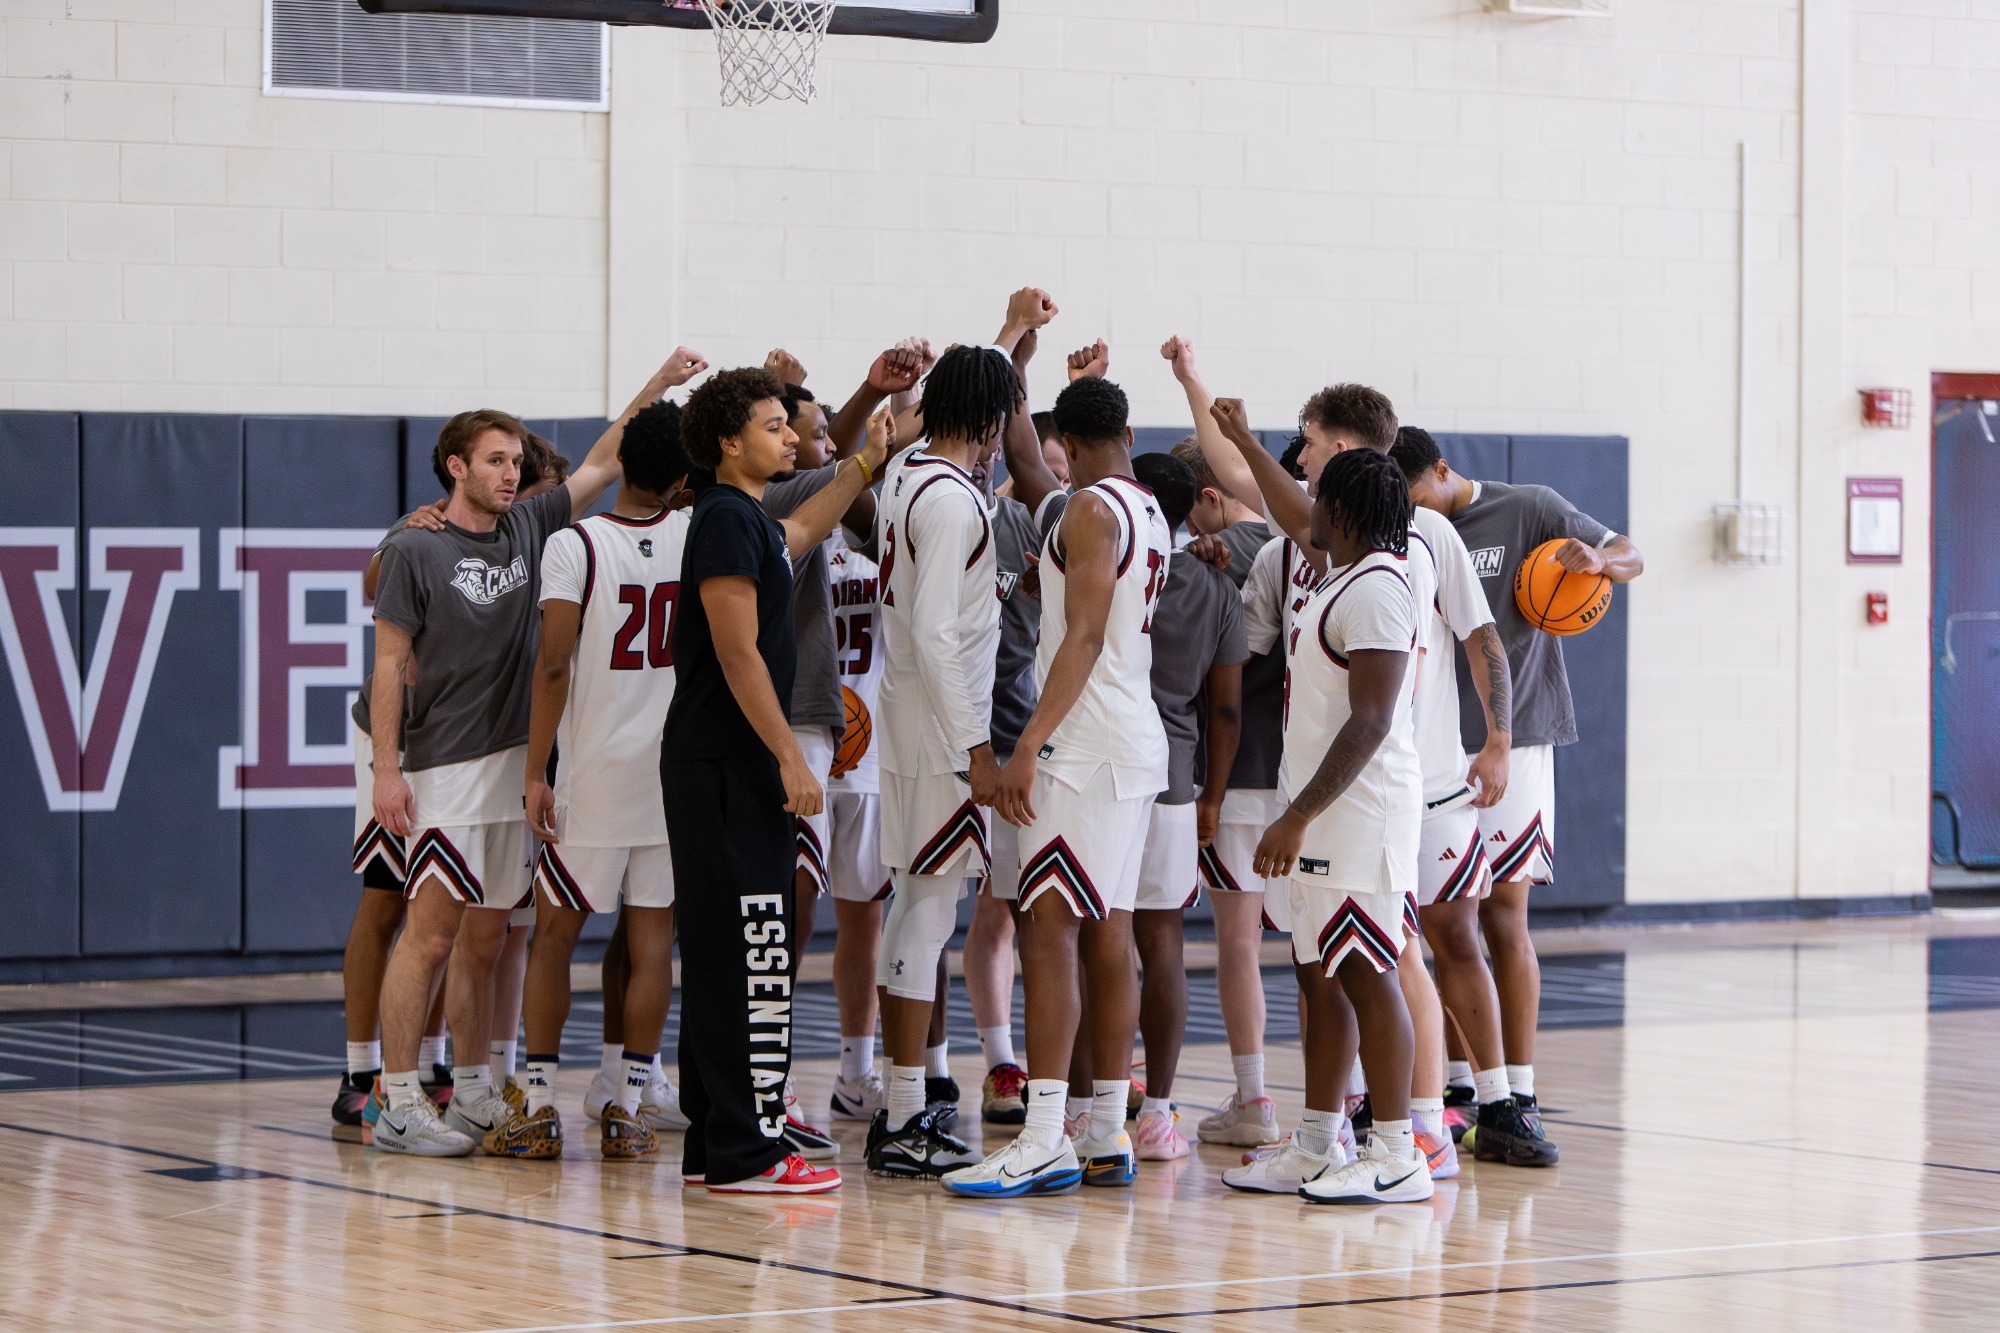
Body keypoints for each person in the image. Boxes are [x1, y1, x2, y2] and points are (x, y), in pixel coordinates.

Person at [364, 349, 709, 1157]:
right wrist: (386, 768)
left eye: (517, 459)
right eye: (495, 460)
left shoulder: (531, 524)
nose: (511, 472)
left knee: (488, 938)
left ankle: (479, 1085)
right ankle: (400, 1096)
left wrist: (657, 388)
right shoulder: (416, 547)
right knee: (431, 934)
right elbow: (386, 664)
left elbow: (600, 459)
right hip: (443, 764)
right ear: (456, 466)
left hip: (516, 760)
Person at [945, 369, 1171, 1199]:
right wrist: (1021, 371)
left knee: (1047, 931)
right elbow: (1038, 483)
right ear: (1129, 439)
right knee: (1109, 935)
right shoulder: (1144, 506)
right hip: (1134, 743)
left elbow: (1079, 635)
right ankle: (1105, 1129)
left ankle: (1044, 1135)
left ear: (1068, 445)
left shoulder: (1088, 510)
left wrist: (1026, 747)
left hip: (1081, 747)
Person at [661, 366, 885, 1194]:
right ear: (729, 441)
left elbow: (799, 534)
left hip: (724, 761)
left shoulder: (744, 517)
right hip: (730, 762)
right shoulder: (722, 520)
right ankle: (750, 1154)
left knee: (728, 955)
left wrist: (864, 465)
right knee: (750, 953)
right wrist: (789, 755)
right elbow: (735, 648)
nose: (791, 436)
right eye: (772, 425)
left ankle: (716, 1145)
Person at [1400, 430, 1644, 1153]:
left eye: (1421, 495)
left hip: (1519, 739)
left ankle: (1520, 1090)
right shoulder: (1408, 528)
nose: (1418, 512)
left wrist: (1601, 560)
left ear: (1443, 471)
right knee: (1444, 922)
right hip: (1436, 746)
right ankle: (1457, 1085)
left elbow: (1632, 551)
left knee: (1504, 917)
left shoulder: (1530, 507)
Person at [1214, 435, 1434, 1206]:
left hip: (1357, 815)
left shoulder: (1377, 587)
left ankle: (1398, 1150)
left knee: (1368, 975)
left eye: (1320, 497)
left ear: (1341, 510)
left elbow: (1371, 721)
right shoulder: (1346, 576)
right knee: (1322, 972)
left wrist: (1297, 816)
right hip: (1320, 811)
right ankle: (1316, 1141)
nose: (1308, 508)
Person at [333, 441, 569, 1136]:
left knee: (484, 921)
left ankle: (451, 1071)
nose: (515, 492)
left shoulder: (546, 550)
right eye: (506, 475)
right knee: (392, 904)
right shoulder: (431, 535)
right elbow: (376, 581)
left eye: (525, 481)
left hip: (489, 751)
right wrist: (407, 528)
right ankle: (365, 1072)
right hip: (408, 745)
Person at [863, 343, 1021, 1179]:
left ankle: (901, 1106)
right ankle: (898, 1116)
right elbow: (933, 634)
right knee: (924, 916)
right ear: (992, 419)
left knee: (913, 911)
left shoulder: (903, 477)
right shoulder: (954, 501)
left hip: (909, 720)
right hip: (937, 733)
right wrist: (976, 748)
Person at [760, 349, 923, 1156]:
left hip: (875, 746)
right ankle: (772, 1071)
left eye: (831, 436)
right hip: (813, 738)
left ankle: (859, 1069)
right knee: (791, 911)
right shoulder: (794, 513)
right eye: (814, 434)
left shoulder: (883, 515)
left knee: (867, 918)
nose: (826, 444)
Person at [1161, 338, 1300, 1149]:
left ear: (1207, 497)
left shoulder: (1205, 558)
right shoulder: (1303, 541)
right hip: (1307, 776)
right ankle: (1347, 1097)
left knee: (1238, 942)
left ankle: (1253, 1097)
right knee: (1324, 942)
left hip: (1237, 773)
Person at [1125, 450, 1247, 1162]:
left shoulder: (1108, 559)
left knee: (1093, 940)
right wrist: (1213, 795)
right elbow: (1225, 711)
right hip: (1176, 777)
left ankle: (1093, 1104)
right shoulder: (1214, 583)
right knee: (1162, 942)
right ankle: (1160, 1113)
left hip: (1104, 770)